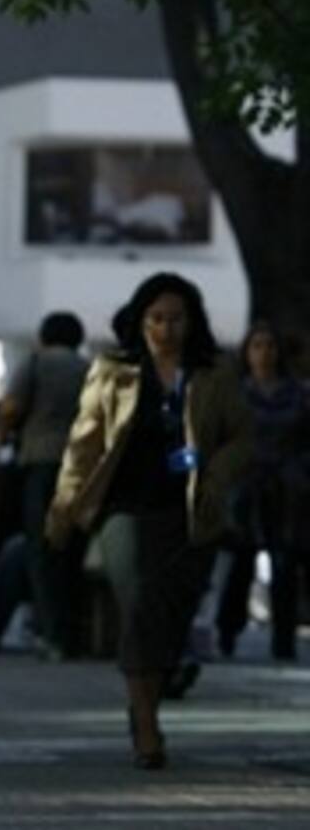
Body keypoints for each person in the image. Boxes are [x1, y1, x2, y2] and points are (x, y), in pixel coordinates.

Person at [47, 272, 252, 770]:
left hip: (189, 511)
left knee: (172, 616)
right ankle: (146, 726)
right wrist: (64, 507)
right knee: (140, 604)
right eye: (157, 318)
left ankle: (147, 704)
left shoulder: (214, 373)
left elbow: (241, 438)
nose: (166, 328)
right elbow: (85, 443)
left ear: (192, 321)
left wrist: (214, 473)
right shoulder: (114, 370)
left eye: (176, 318)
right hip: (126, 508)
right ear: (139, 321)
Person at [0, 311, 89, 659]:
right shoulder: (88, 369)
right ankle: (75, 631)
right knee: (72, 551)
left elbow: (11, 409)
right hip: (80, 468)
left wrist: (0, 435)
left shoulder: (35, 363)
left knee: (42, 551)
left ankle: (52, 634)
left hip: (41, 462)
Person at [216, 321, 310, 661]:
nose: (264, 353)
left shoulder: (298, 393)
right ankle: (227, 630)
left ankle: (283, 641)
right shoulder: (237, 393)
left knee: (285, 563)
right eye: (257, 346)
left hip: (288, 486)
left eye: (270, 346)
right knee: (241, 562)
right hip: (247, 484)